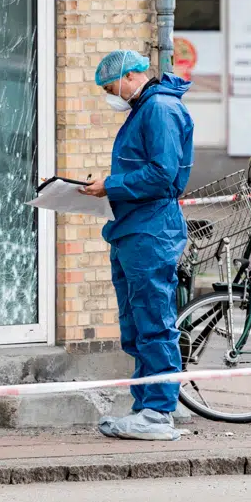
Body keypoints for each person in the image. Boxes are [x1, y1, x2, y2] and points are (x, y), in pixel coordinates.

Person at [80, 50, 194, 441]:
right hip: (134, 228)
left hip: (150, 230)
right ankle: (146, 405)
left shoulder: (158, 109)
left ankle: (158, 412)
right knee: (137, 324)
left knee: (152, 321)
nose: (110, 95)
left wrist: (109, 185)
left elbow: (162, 174)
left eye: (111, 87)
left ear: (131, 76)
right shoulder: (146, 109)